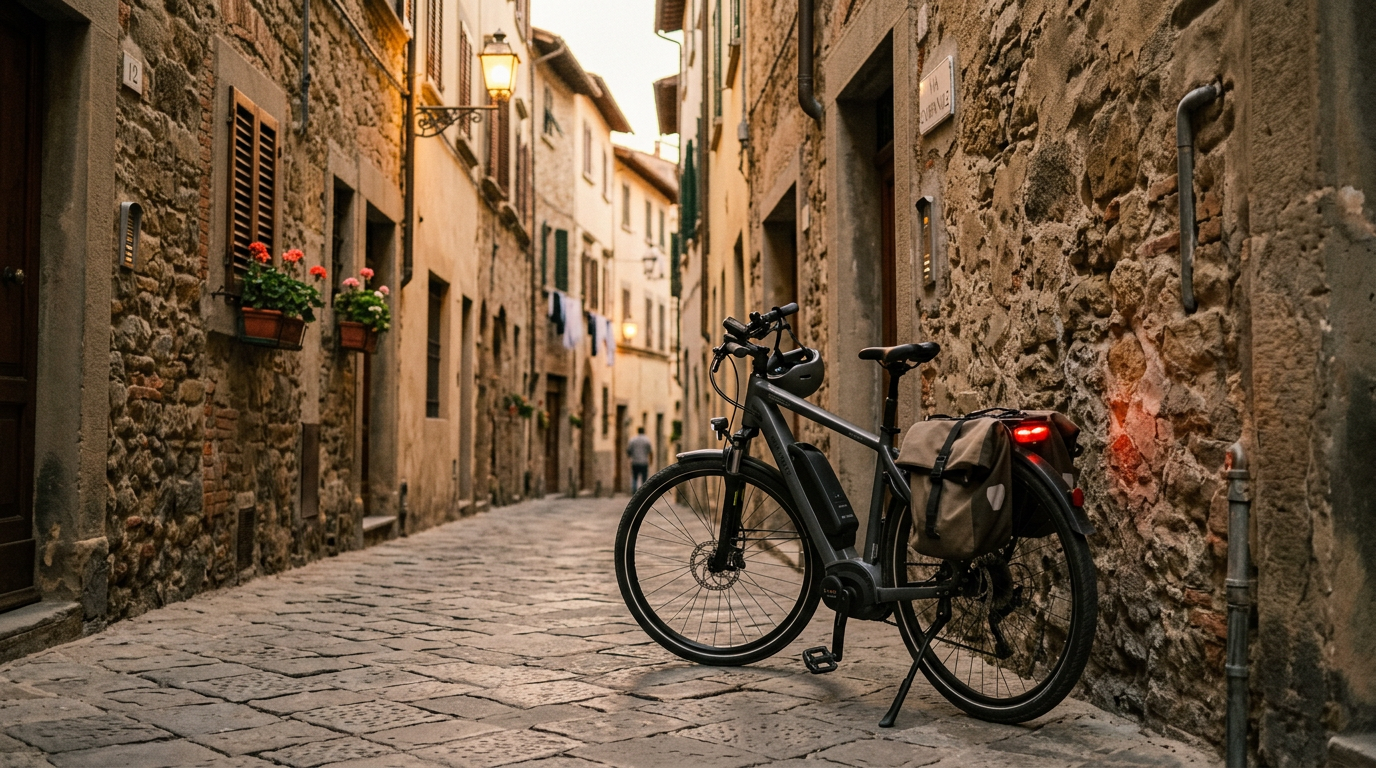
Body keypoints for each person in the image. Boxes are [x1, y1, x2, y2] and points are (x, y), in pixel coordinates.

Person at [627, 427, 653, 493]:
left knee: (634, 477)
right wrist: (651, 461)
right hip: (644, 462)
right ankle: (643, 492)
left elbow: (629, 451)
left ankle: (634, 493)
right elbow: (650, 451)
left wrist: (630, 458)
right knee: (644, 478)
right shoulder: (647, 440)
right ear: (644, 431)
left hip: (635, 462)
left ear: (637, 431)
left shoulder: (633, 440)